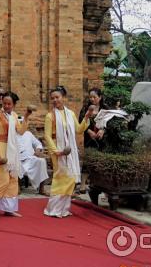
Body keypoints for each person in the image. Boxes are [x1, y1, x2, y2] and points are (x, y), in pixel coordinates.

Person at [0, 92, 33, 220]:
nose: (6, 106)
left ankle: (9, 209)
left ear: (14, 105)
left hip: (12, 149)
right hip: (0, 147)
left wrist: (27, 116)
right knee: (1, 179)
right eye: (4, 103)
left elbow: (21, 131)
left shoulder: (14, 116)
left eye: (9, 103)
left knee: (12, 180)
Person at [44, 86, 89, 218]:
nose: (55, 100)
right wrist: (56, 151)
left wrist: (86, 118)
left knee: (69, 178)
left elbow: (79, 130)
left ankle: (63, 209)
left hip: (69, 151)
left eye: (57, 97)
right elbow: (47, 136)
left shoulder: (71, 114)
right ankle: (53, 209)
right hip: (57, 150)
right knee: (60, 178)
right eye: (52, 98)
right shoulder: (49, 116)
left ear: (63, 98)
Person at [79, 88, 108, 192]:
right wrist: (89, 131)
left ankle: (99, 185)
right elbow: (81, 120)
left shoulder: (105, 108)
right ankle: (82, 185)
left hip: (101, 139)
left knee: (101, 161)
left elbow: (110, 122)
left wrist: (103, 130)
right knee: (88, 160)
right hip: (89, 138)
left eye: (94, 97)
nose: (92, 99)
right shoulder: (86, 108)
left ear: (100, 97)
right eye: (90, 97)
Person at [17, 127, 49, 194]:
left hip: (30, 159)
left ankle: (41, 189)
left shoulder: (28, 134)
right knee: (15, 164)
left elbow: (38, 144)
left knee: (42, 161)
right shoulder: (12, 134)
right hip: (18, 160)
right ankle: (17, 186)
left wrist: (38, 150)